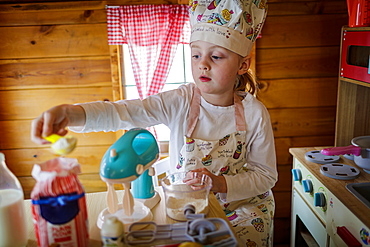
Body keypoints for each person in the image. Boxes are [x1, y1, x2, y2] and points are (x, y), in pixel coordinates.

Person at [31, 0, 277, 246]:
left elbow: (265, 176)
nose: (203, 63)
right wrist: (71, 114)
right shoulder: (180, 101)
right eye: (195, 54)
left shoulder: (255, 113)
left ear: (242, 65)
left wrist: (220, 183)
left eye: (216, 56)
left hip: (243, 210)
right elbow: (124, 112)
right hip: (186, 204)